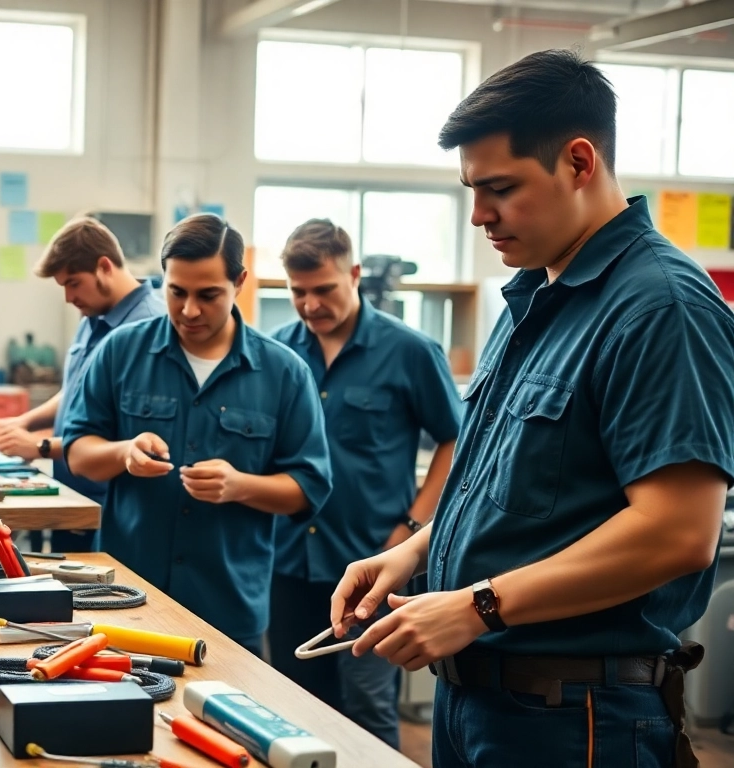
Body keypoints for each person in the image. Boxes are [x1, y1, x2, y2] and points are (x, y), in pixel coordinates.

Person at [331, 49, 734, 768]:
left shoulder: (659, 307)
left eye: (501, 188)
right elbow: (514, 491)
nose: (480, 215)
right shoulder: (532, 301)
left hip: (575, 717)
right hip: (482, 703)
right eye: (470, 191)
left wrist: (477, 604)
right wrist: (414, 553)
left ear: (580, 162)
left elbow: (678, 533)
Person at [62, 214, 332, 656]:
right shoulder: (121, 351)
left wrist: (240, 486)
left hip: (227, 611)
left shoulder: (284, 373)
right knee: (111, 722)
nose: (189, 310)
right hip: (124, 602)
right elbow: (78, 452)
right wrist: (123, 452)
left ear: (240, 282)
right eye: (176, 292)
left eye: (208, 295)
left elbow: (309, 488)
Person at [266, 219, 462, 748]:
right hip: (286, 564)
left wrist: (413, 525)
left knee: (367, 710)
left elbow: (455, 442)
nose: (310, 304)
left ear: (353, 274)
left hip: (373, 564)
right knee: (290, 709)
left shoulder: (411, 351)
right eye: (297, 292)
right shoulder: (276, 354)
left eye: (324, 289)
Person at [0, 216, 164, 552]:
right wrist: (23, 422)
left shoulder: (147, 329)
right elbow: (77, 392)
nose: (68, 297)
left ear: (104, 266)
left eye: (73, 283)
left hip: (110, 507)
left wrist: (40, 446)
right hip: (73, 497)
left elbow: (132, 433)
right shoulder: (93, 318)